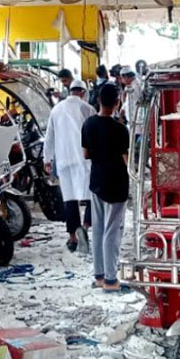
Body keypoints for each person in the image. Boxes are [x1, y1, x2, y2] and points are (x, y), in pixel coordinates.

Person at [82, 83, 131, 291]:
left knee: (99, 228)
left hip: (97, 180)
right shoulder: (120, 129)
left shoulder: (88, 124)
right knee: (112, 230)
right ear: (117, 102)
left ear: (98, 100)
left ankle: (100, 276)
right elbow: (126, 160)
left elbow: (85, 154)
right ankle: (111, 280)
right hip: (117, 182)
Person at [44, 79, 95, 252]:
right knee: (91, 195)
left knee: (70, 198)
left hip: (64, 160)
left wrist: (47, 159)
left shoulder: (56, 109)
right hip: (84, 160)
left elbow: (49, 137)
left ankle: (73, 237)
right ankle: (85, 227)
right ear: (83, 92)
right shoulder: (87, 108)